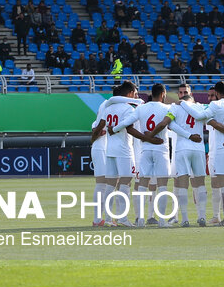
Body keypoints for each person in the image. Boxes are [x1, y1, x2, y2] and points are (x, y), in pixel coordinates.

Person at [182, 82, 224, 225]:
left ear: (218, 94)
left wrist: (183, 104)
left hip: (221, 148)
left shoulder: (216, 105)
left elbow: (199, 116)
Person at [144, 83, 208, 227]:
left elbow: (169, 124)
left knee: (182, 184)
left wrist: (187, 135)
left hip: (182, 148)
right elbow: (207, 119)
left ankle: (184, 218)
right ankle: (202, 216)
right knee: (200, 183)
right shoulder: (200, 106)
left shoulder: (175, 107)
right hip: (198, 148)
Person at [89, 84, 144, 226]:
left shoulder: (108, 107)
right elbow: (129, 128)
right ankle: (122, 218)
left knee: (110, 185)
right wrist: (148, 138)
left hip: (110, 149)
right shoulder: (128, 109)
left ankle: (108, 218)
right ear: (130, 94)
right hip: (123, 149)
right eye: (135, 94)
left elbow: (99, 125)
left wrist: (96, 135)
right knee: (125, 183)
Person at [131, 83, 173, 227]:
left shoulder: (141, 108)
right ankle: (161, 220)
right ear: (162, 94)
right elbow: (175, 127)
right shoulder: (168, 108)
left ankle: (141, 219)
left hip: (145, 149)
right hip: (161, 149)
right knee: (162, 185)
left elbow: (127, 125)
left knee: (142, 184)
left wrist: (147, 138)